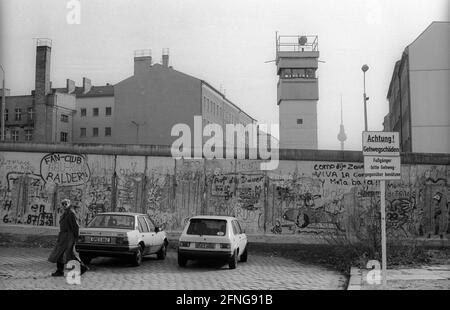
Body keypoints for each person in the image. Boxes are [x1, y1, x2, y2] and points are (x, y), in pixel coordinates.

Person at [48, 199, 88, 277]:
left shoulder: (71, 213)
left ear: (69, 204)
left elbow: (75, 226)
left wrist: (76, 237)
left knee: (69, 254)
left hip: (68, 236)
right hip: (63, 236)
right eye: (63, 203)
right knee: (60, 254)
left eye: (66, 203)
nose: (64, 205)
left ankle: (82, 267)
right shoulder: (66, 212)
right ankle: (60, 270)